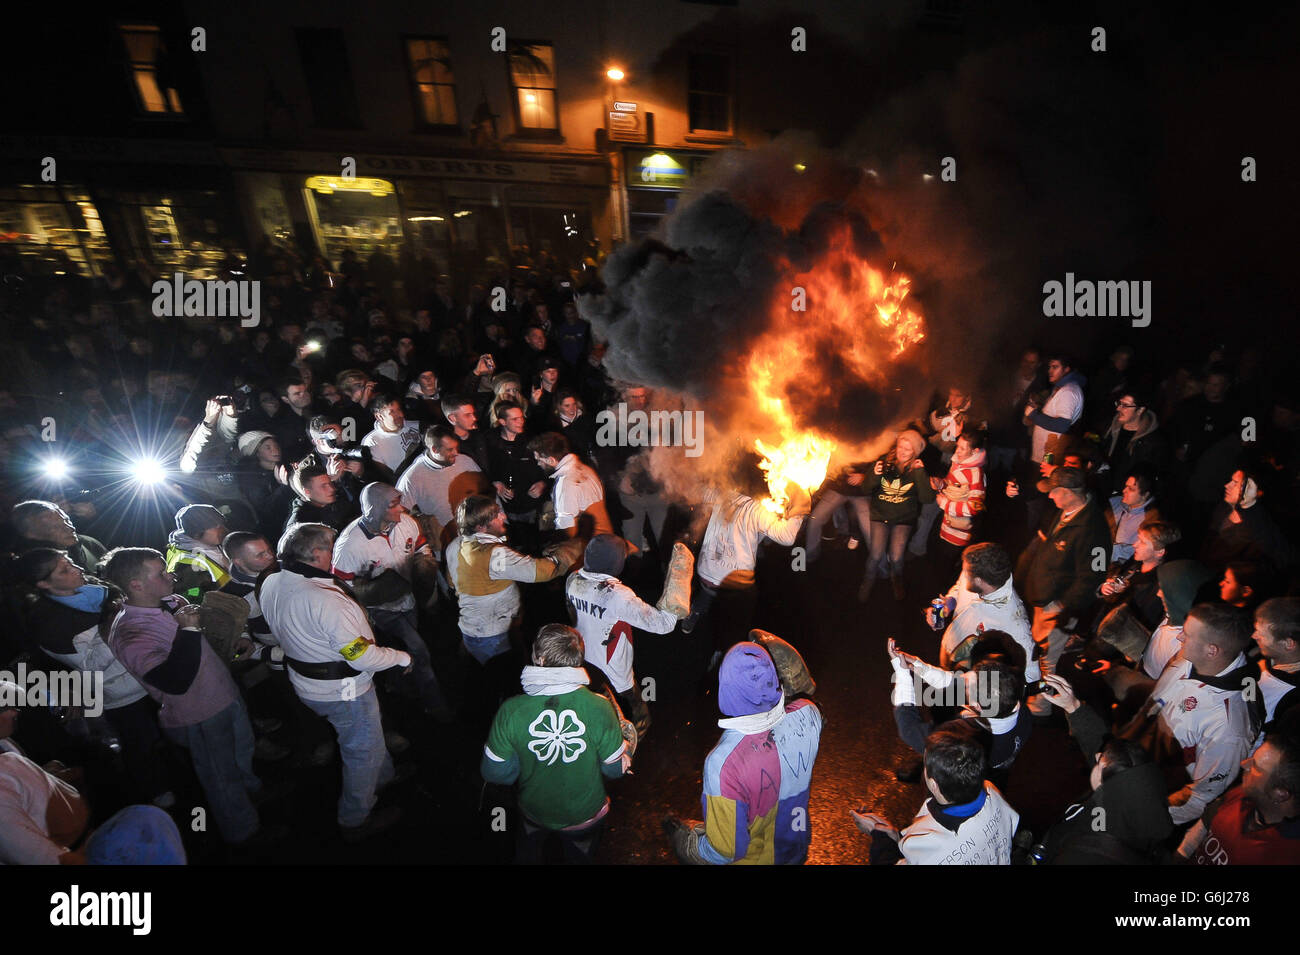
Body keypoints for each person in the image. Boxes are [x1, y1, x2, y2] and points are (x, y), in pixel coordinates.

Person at [102, 547, 270, 846]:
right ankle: (244, 833)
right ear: (136, 585)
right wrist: (189, 631)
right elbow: (174, 681)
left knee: (242, 751)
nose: (171, 575)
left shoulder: (172, 601)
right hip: (198, 716)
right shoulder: (130, 633)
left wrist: (237, 635)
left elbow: (209, 639)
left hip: (225, 694)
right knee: (221, 778)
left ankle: (251, 794)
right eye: (161, 573)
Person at [258, 523, 411, 841]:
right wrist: (400, 658)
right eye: (330, 546)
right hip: (344, 693)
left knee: (369, 740)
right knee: (361, 752)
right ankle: (355, 819)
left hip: (306, 683)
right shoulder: (327, 600)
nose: (333, 552)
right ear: (317, 554)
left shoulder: (273, 581)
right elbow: (361, 656)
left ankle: (384, 777)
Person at [16, 549, 171, 807]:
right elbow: (90, 666)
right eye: (64, 570)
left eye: (71, 563)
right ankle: (156, 793)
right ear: (43, 584)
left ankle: (179, 777)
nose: (76, 569)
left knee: (168, 735)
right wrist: (117, 623)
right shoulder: (50, 625)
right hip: (122, 695)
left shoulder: (98, 589)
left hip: (151, 677)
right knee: (141, 746)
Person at [480, 624, 630, 864]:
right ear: (578, 659)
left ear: (539, 659)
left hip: (534, 811)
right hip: (584, 815)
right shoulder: (600, 707)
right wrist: (626, 753)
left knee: (528, 854)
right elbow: (613, 770)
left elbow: (495, 773)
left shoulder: (511, 710)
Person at [664, 640, 822, 865]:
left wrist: (688, 843)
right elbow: (799, 700)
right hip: (796, 849)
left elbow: (725, 852)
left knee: (691, 839)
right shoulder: (809, 713)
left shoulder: (722, 765)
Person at [1115, 602, 1261, 825]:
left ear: (1212, 650)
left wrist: (1145, 818)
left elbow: (1200, 795)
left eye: (1188, 634)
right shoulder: (1188, 657)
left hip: (1146, 798)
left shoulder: (1228, 725)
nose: (1180, 638)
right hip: (1125, 765)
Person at [332, 484, 450, 720]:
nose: (401, 508)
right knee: (418, 649)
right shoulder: (350, 545)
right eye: (393, 504)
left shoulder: (406, 522)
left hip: (409, 600)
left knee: (403, 648)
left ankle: (397, 685)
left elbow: (421, 547)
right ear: (376, 510)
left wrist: (424, 565)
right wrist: (372, 592)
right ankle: (435, 705)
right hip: (382, 610)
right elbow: (341, 588)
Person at [1034, 672, 1174, 864]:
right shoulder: (1127, 798)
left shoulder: (1091, 853)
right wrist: (1072, 705)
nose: (1098, 756)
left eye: (1100, 762)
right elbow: (1099, 743)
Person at [566, 534, 688, 737]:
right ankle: (627, 753)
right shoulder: (617, 595)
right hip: (614, 674)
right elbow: (663, 625)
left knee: (592, 711)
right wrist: (679, 580)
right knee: (632, 718)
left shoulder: (573, 579)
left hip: (583, 661)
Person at [851, 721, 1019, 865]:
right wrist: (896, 836)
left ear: (933, 784)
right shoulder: (992, 791)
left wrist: (879, 836)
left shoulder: (931, 847)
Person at [1015, 466, 1110, 715]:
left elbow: (1093, 577)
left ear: (1068, 493)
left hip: (1059, 609)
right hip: (1045, 599)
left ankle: (1041, 706)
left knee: (1049, 658)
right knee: (1040, 651)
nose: (1049, 496)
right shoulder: (1068, 512)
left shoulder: (1093, 530)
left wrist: (1061, 605)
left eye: (1054, 491)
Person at [446, 495, 582, 666]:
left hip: (471, 632)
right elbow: (542, 572)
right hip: (495, 639)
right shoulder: (494, 554)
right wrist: (569, 550)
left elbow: (452, 582)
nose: (503, 517)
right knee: (509, 679)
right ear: (481, 527)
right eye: (496, 516)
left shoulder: (454, 545)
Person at [1175, 711, 1300, 865]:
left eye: (1256, 767)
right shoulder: (1242, 794)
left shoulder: (1286, 853)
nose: (1244, 764)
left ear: (1280, 794)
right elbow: (1202, 829)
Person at [0, 682, 91, 864]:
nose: (15, 712)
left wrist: (43, 776)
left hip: (84, 838)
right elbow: (35, 855)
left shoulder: (6, 745)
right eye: (5, 708)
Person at [936, 543, 1036, 680]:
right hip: (948, 645)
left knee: (950, 697)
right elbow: (958, 588)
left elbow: (1031, 673)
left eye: (965, 573)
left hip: (965, 673)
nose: (963, 575)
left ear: (979, 580)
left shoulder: (1015, 624)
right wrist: (949, 603)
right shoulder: (976, 574)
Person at [857, 429, 936, 603]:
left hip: (903, 519)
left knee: (897, 556)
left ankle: (896, 580)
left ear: (915, 451)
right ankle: (867, 581)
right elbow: (865, 489)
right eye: (901, 446)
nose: (902, 452)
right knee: (876, 555)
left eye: (908, 449)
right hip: (880, 516)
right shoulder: (885, 463)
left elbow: (927, 499)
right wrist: (874, 475)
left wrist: (921, 474)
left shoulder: (917, 469)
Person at [396, 425, 486, 552]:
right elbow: (400, 516)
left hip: (478, 539)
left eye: (456, 447)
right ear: (434, 449)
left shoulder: (465, 461)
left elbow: (485, 491)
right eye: (450, 449)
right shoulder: (412, 478)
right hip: (446, 548)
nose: (456, 453)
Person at [529, 431, 614, 541]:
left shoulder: (564, 484)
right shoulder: (586, 469)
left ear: (551, 460)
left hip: (591, 547)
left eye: (538, 460)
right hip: (609, 540)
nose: (538, 464)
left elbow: (568, 530)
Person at [9, 500, 106, 574]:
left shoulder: (89, 543)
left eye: (67, 521)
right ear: (31, 534)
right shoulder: (32, 570)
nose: (69, 528)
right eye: (56, 527)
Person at [164, 504, 231, 602]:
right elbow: (193, 596)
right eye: (214, 526)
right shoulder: (188, 564)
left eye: (221, 525)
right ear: (196, 532)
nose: (223, 530)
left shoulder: (216, 545)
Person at [1253, 598, 1300, 725]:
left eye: (1261, 634)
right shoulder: (1259, 656)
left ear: (1288, 644)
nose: (1254, 636)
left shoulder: (1292, 699)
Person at [361, 394, 422, 478]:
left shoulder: (416, 425)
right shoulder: (372, 442)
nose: (400, 415)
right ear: (379, 416)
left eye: (399, 409)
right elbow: (386, 477)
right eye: (392, 412)